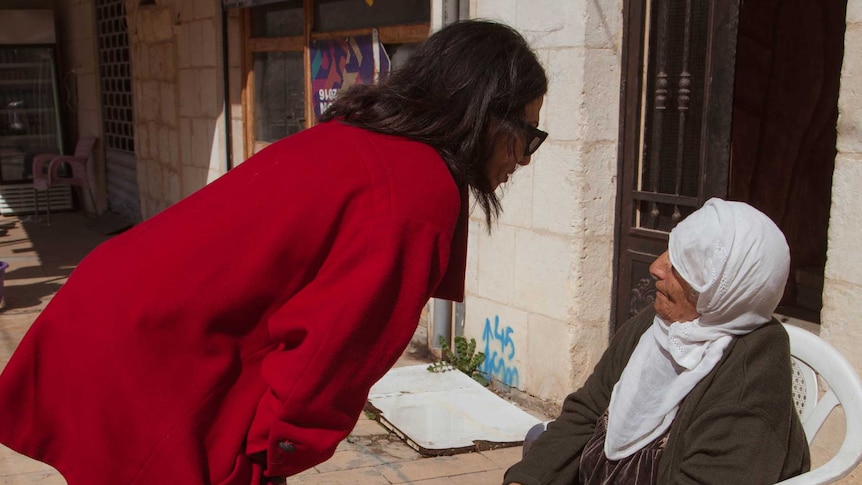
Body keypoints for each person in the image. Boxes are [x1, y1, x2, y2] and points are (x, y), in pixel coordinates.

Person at [0, 20, 548, 485]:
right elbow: (325, 360)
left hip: (114, 316)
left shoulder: (372, 139)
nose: (523, 160)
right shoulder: (418, 193)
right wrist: (268, 459)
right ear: (484, 114)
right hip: (153, 354)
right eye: (529, 135)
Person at [504, 198, 810, 485]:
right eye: (669, 251)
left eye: (681, 266)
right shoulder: (658, 325)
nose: (656, 268)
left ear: (724, 291)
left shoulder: (752, 369)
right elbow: (586, 413)